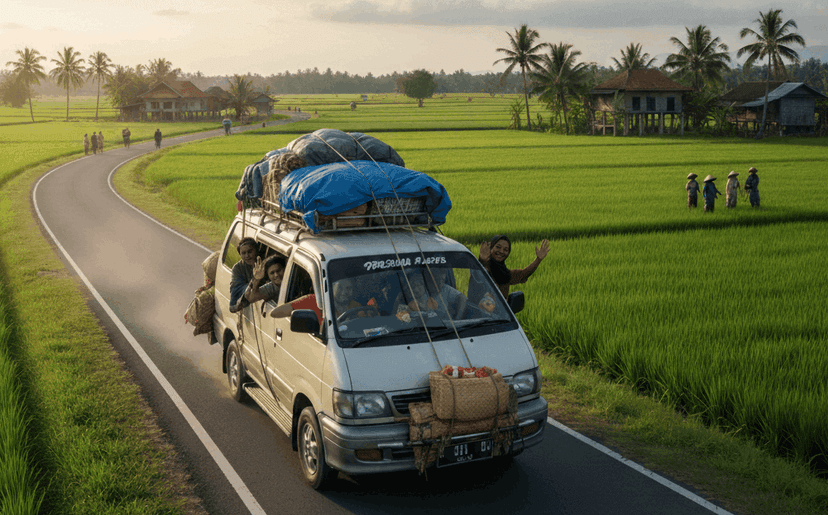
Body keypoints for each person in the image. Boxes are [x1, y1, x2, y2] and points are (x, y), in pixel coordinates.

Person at [478, 235, 549, 299]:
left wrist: (538, 259)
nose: (501, 251)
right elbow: (478, 277)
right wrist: (482, 261)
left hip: (499, 313)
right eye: (498, 247)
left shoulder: (505, 274)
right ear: (491, 248)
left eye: (506, 250)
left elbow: (523, 274)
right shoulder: (482, 267)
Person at [228, 237, 258, 313]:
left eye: (250, 252)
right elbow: (237, 289)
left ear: (256, 250)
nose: (247, 256)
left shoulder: (264, 264)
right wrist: (256, 279)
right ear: (240, 255)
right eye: (243, 253)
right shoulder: (238, 268)